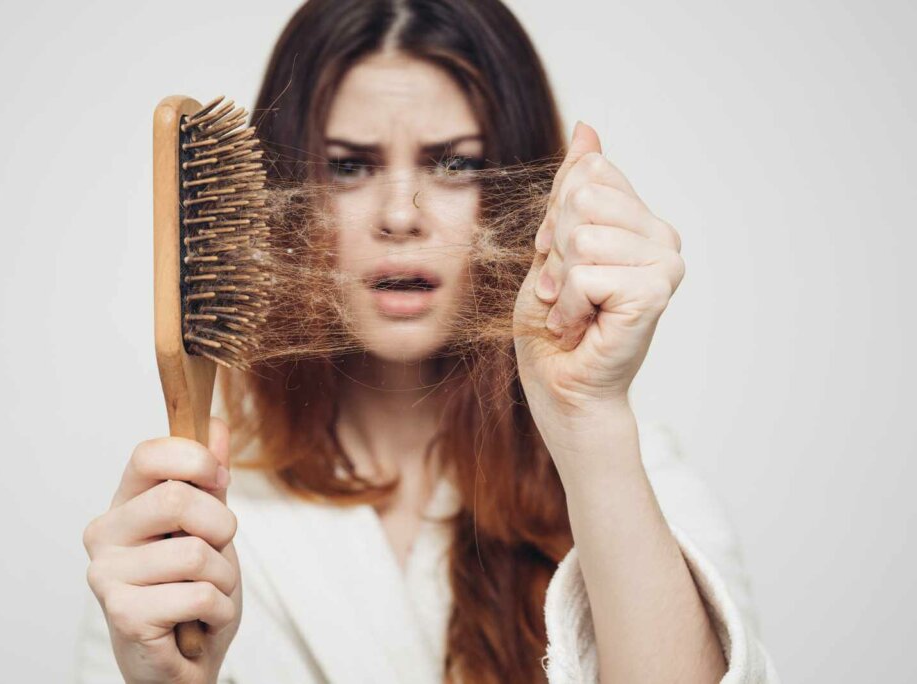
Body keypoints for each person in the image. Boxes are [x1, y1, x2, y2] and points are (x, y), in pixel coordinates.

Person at [78, 0, 779, 682]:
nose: (398, 216)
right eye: (350, 166)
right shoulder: (185, 533)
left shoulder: (628, 476)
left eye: (452, 164)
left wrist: (587, 420)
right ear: (278, 194)